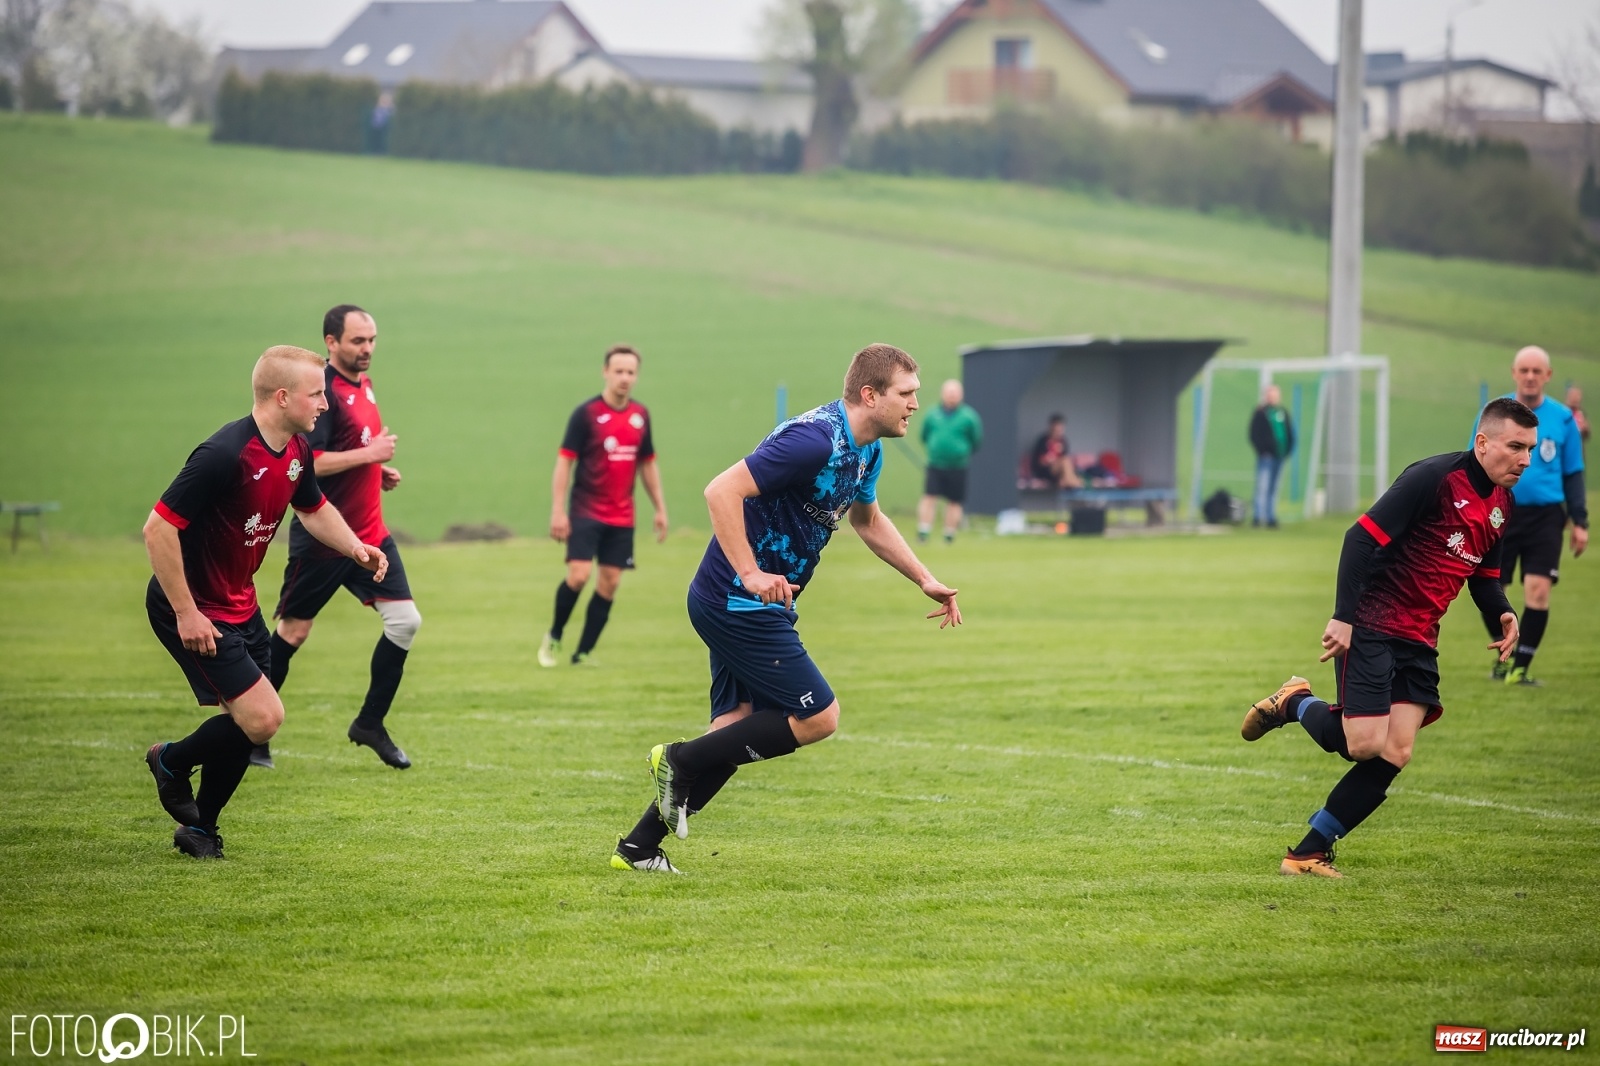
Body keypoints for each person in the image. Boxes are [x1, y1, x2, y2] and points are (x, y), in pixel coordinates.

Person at [612, 343, 962, 873]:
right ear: (870, 395)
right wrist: (751, 574)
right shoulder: (814, 442)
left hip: (756, 602)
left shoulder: (867, 449)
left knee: (735, 724)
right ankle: (676, 759)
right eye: (907, 393)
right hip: (734, 599)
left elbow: (867, 521)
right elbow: (720, 491)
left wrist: (924, 577)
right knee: (819, 716)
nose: (916, 404)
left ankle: (637, 848)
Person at [1237, 398, 1537, 878]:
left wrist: (1501, 611)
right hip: (1373, 621)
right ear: (1482, 443)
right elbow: (1359, 537)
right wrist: (1343, 617)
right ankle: (1295, 703)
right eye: (1515, 447)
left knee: (1396, 751)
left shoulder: (1503, 503)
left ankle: (1307, 852)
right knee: (1362, 744)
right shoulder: (1434, 479)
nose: (1524, 459)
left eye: (1530, 449)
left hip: (1421, 635)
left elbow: (1484, 574)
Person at [144, 345, 387, 859]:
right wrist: (187, 613)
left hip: (241, 604)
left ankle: (200, 829)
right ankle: (170, 761)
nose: (325, 403)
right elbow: (158, 529)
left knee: (248, 722)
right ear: (283, 397)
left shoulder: (297, 451)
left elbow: (313, 507)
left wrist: (356, 548)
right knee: (262, 719)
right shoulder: (224, 454)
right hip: (191, 605)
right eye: (316, 393)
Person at [265, 305, 420, 771]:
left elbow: (350, 453)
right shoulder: (323, 392)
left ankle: (369, 724)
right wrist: (368, 454)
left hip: (371, 533)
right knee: (294, 631)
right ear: (331, 342)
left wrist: (376, 467)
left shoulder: (363, 385)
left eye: (372, 339)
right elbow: (307, 461)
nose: (367, 349)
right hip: (326, 538)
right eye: (357, 341)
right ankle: (249, 730)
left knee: (406, 622)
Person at [538, 345, 667, 667]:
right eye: (619, 371)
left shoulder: (641, 416)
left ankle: (582, 654)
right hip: (586, 510)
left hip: (622, 515)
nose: (624, 378)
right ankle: (553, 637)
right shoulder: (586, 414)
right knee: (579, 576)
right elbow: (564, 463)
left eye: (631, 372)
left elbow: (647, 464)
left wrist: (660, 508)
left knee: (610, 583)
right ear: (605, 372)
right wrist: (557, 511)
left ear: (636, 376)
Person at [1473, 347, 1587, 686]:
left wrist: (1579, 521)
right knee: (1492, 588)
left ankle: (1521, 666)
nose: (1530, 377)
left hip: (1547, 517)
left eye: (1537, 371)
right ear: (1514, 373)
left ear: (1547, 376)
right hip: (1499, 512)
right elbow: (1474, 463)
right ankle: (1505, 657)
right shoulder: (1495, 414)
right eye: (1524, 370)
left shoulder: (1563, 419)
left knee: (1537, 590)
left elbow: (1574, 474)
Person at [917, 379, 983, 543]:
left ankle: (949, 534)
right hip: (935, 464)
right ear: (943, 394)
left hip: (958, 466)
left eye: (955, 392)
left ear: (961, 395)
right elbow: (924, 435)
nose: (952, 396)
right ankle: (924, 531)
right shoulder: (932, 414)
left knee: (954, 501)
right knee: (929, 497)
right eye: (949, 392)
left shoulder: (969, 416)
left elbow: (976, 440)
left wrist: (961, 452)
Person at [1249, 384, 1296, 528]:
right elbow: (1253, 434)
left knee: (1274, 488)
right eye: (1270, 395)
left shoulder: (1282, 412)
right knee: (1262, 487)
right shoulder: (1261, 412)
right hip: (1266, 457)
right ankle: (1258, 517)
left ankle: (1271, 517)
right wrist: (1262, 450)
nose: (1272, 398)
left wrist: (1288, 450)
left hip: (1280, 456)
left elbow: (1289, 432)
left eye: (1274, 395)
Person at [1029, 413, 1081, 490]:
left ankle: (1067, 482)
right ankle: (1076, 483)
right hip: (1045, 471)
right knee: (1064, 461)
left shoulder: (1063, 442)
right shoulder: (1042, 441)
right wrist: (1051, 459)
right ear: (1051, 428)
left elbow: (1067, 462)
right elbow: (1039, 462)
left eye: (1060, 430)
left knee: (1066, 462)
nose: (1058, 433)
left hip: (1060, 473)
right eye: (1056, 430)